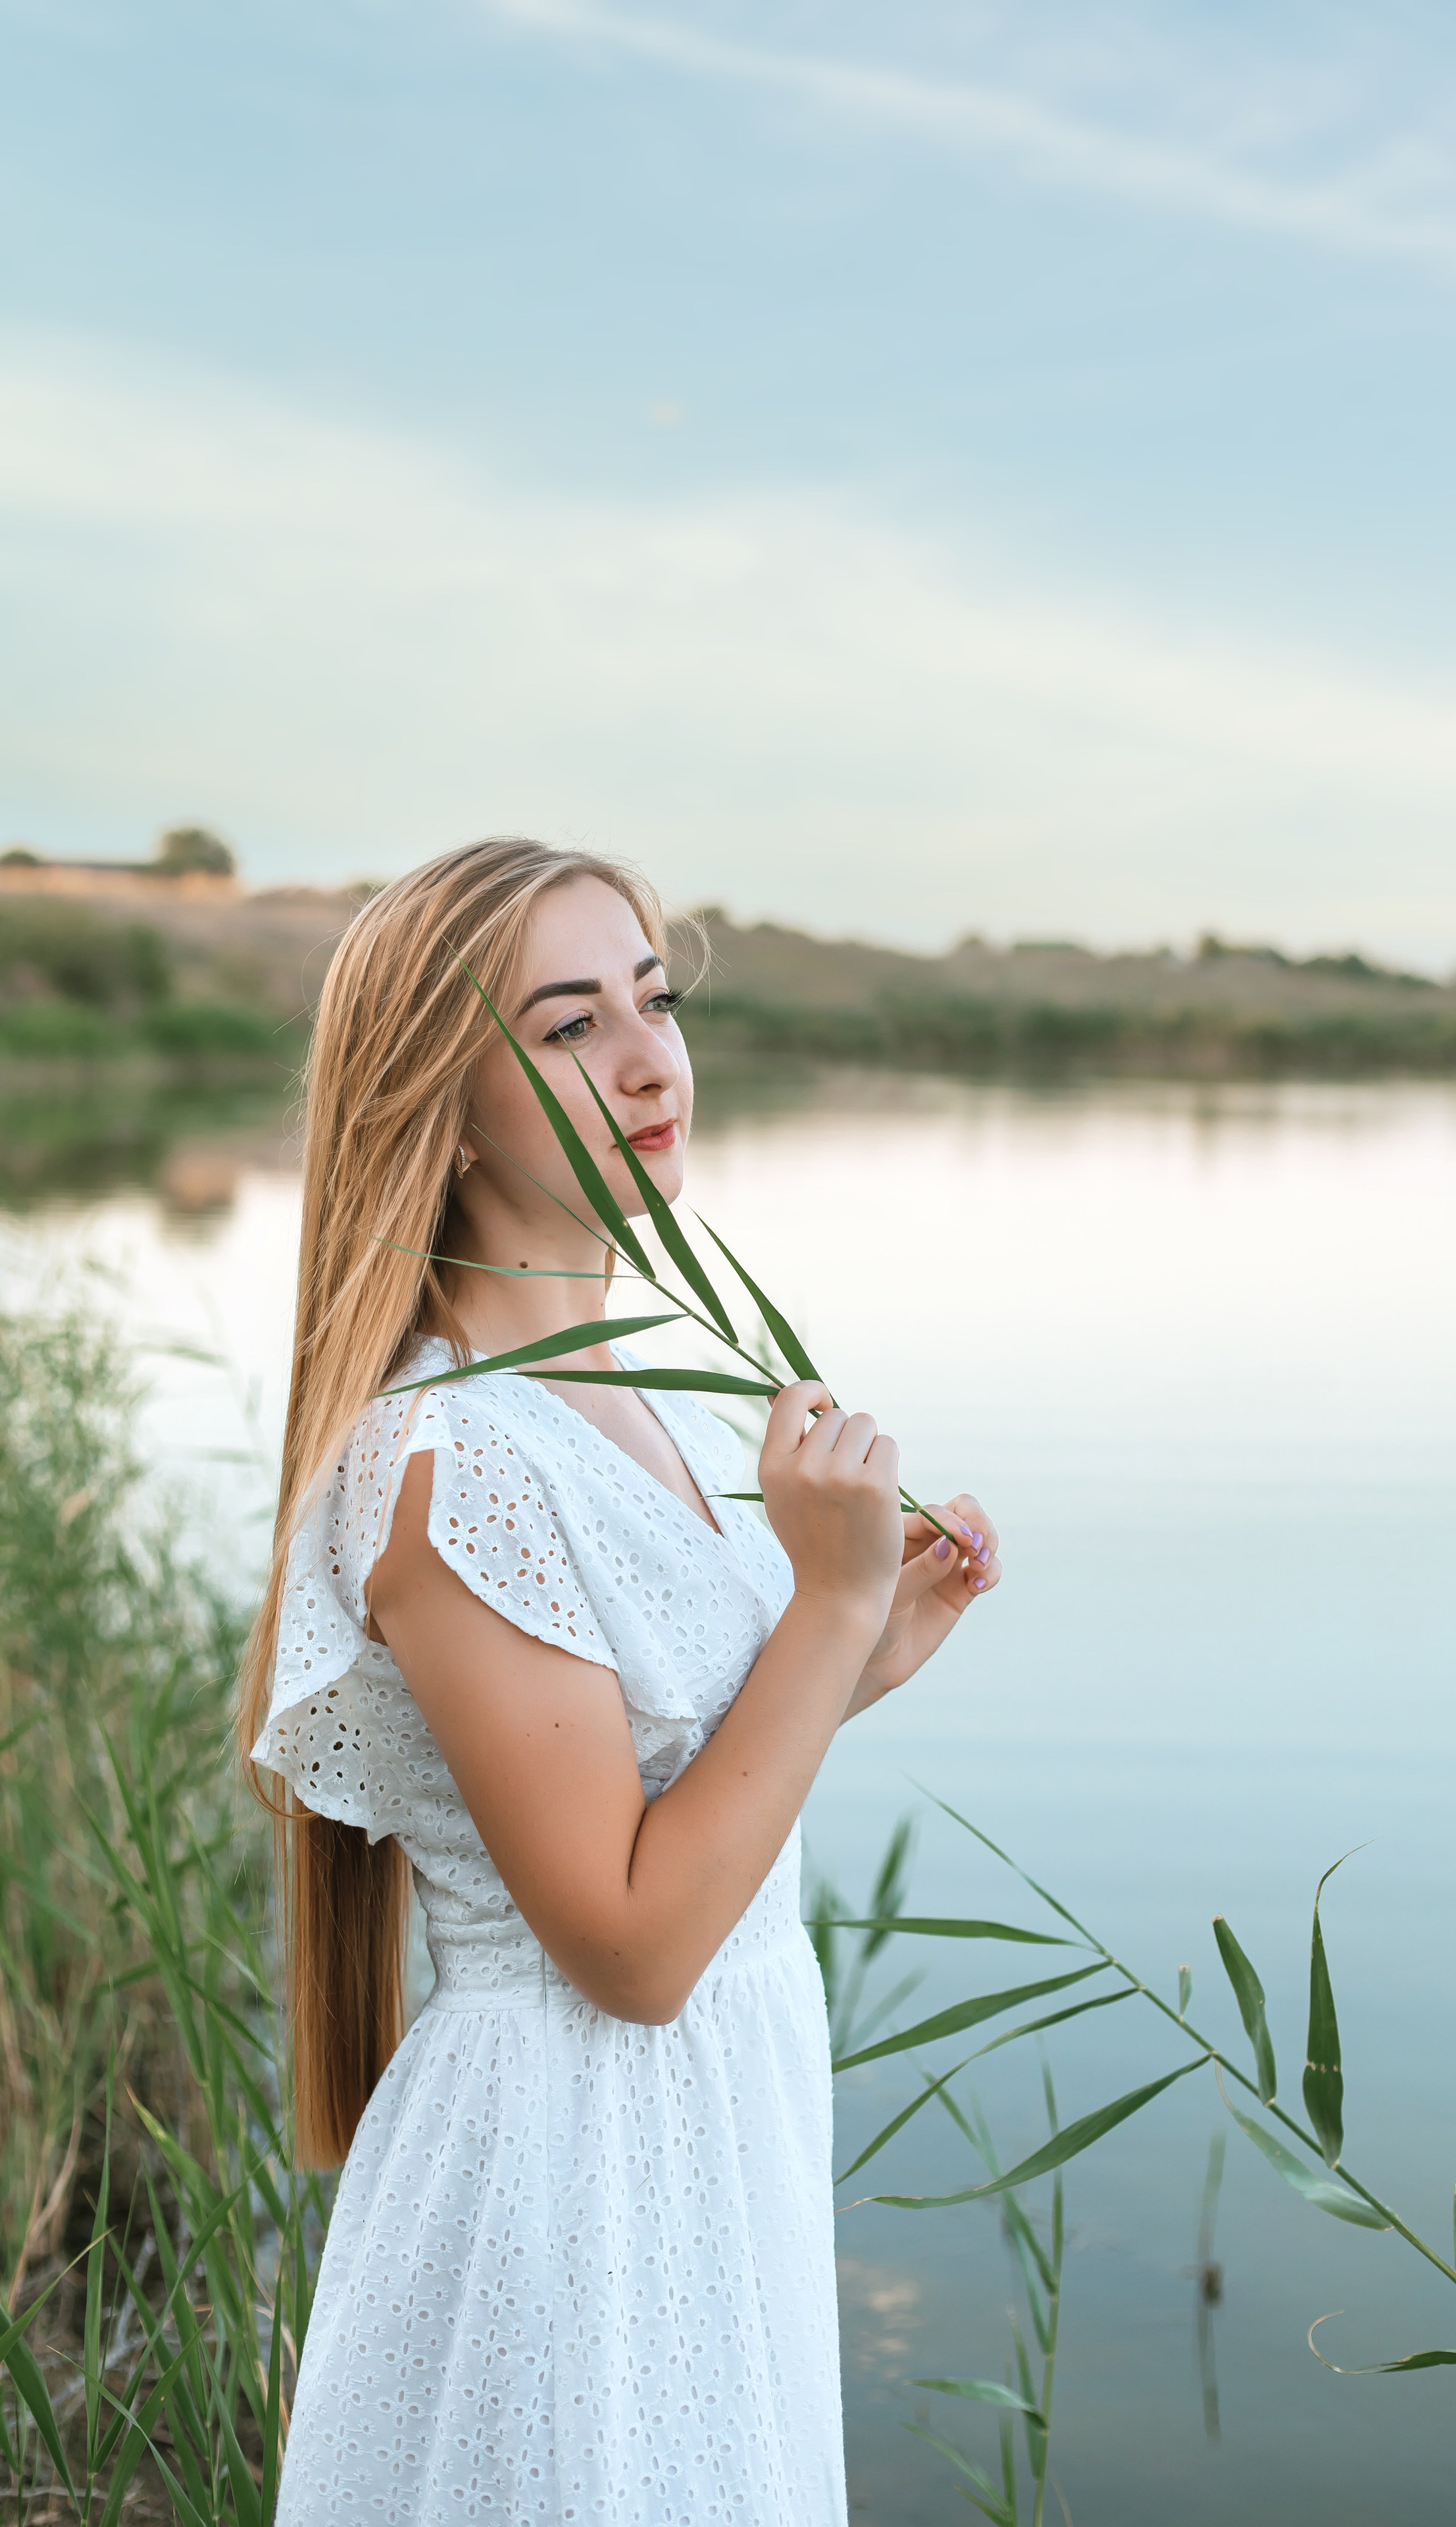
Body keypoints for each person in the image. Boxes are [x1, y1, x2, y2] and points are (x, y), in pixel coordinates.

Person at [239, 836, 1003, 2523]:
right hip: (573, 2183)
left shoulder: (615, 1393)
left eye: (653, 1001)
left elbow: (648, 1784)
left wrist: (860, 1641)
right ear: (439, 1100)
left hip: (700, 2149)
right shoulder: (457, 1453)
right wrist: (820, 1602)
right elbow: (632, 1947)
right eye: (570, 1025)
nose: (652, 1058)